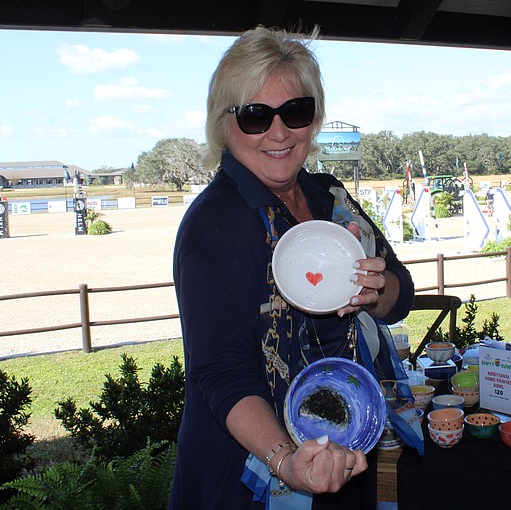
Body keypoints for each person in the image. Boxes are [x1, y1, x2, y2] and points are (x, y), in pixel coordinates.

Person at [169, 26, 416, 509]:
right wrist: (287, 462)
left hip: (343, 448)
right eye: (255, 115)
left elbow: (400, 296)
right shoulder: (214, 225)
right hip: (250, 477)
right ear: (224, 124)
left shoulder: (330, 199)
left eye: (295, 111)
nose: (279, 132)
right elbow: (220, 371)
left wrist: (375, 288)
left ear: (314, 117)